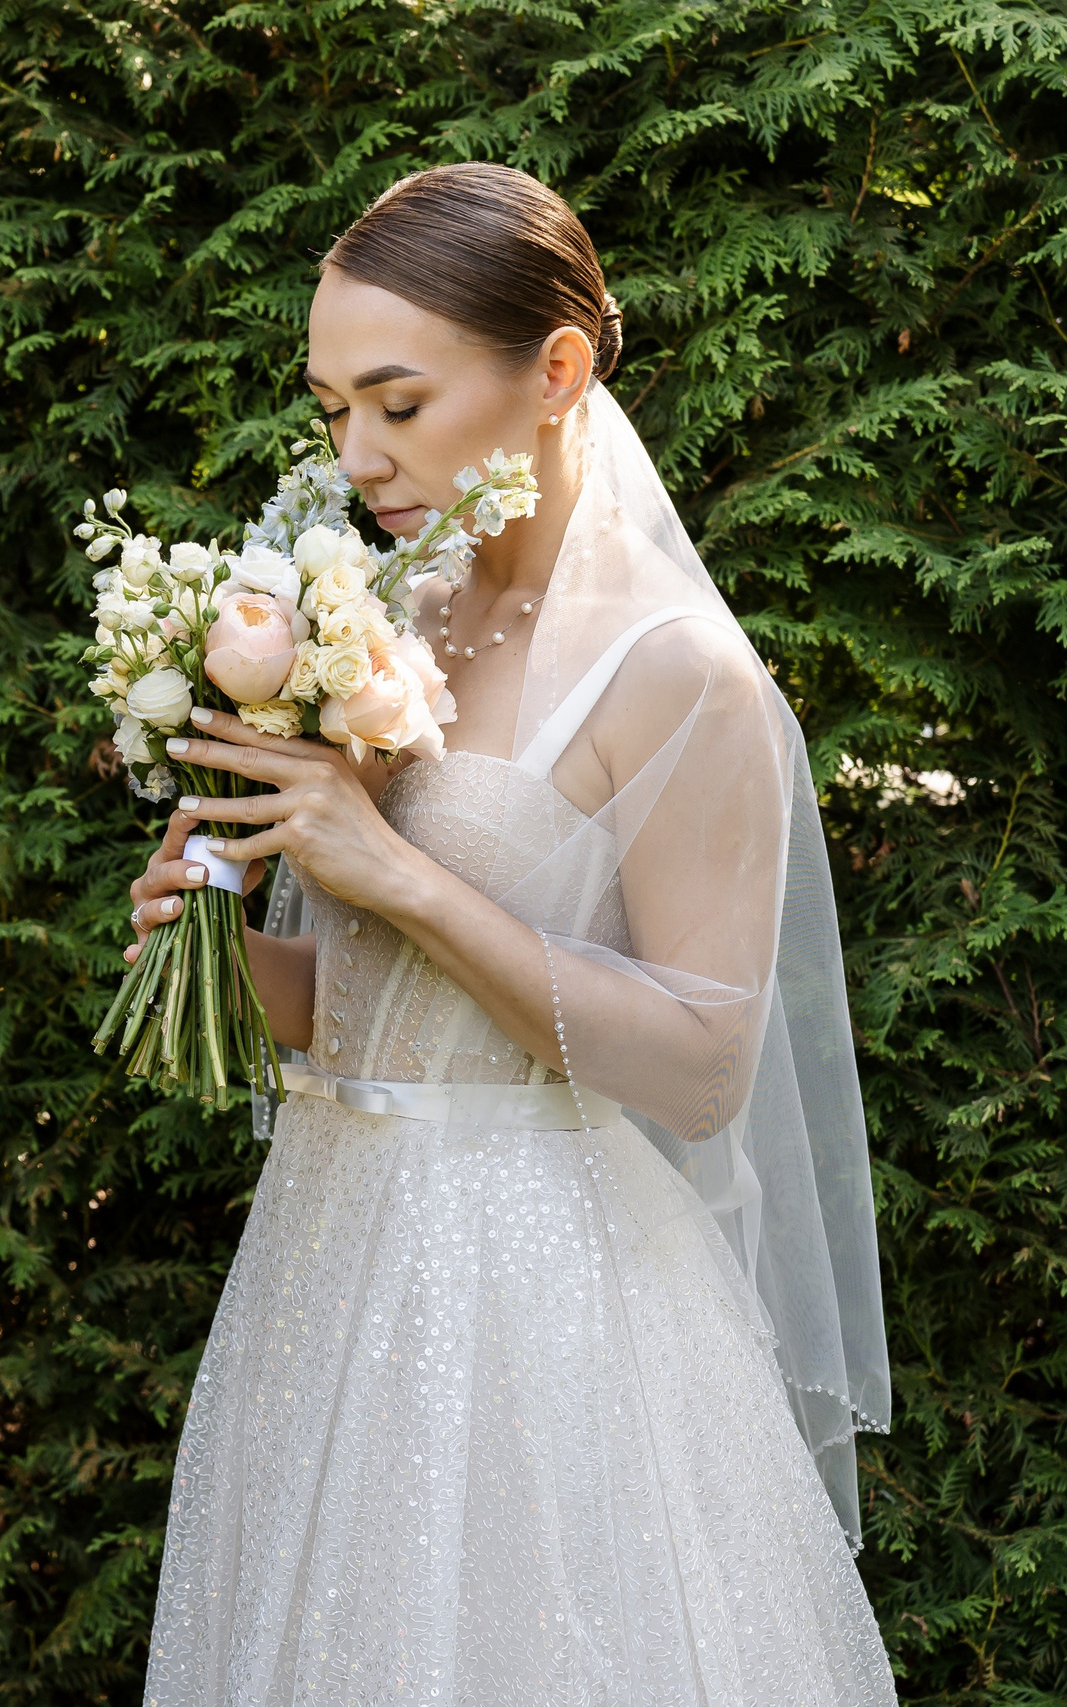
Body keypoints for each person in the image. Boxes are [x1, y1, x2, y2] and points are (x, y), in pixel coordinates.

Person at [126, 164, 897, 1706]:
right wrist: (205, 944)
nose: (360, 455)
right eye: (335, 408)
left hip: (548, 1303)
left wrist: (396, 872)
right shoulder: (381, 614)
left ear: (559, 372)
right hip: (331, 1261)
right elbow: (358, 1006)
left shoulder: (685, 680)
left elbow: (697, 1067)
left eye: (399, 404)